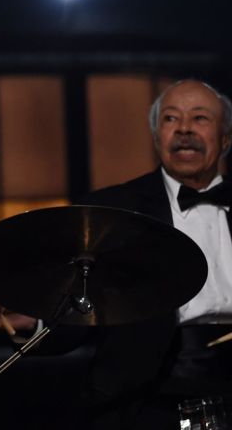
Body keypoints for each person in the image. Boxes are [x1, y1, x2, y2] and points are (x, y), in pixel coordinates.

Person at [78, 79, 232, 429]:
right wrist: (36, 319)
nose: (184, 130)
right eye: (170, 119)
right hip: (148, 396)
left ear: (226, 139)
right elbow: (80, 305)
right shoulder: (112, 210)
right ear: (156, 137)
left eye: (200, 118)